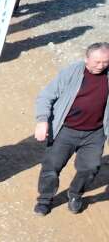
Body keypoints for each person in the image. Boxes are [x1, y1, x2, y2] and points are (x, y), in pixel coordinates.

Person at [32, 43, 109, 216]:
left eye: (105, 62)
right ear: (86, 58)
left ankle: (75, 195)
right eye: (97, 62)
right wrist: (42, 121)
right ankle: (45, 200)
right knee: (51, 167)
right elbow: (46, 96)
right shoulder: (72, 72)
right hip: (65, 130)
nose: (101, 66)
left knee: (90, 168)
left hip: (95, 133)